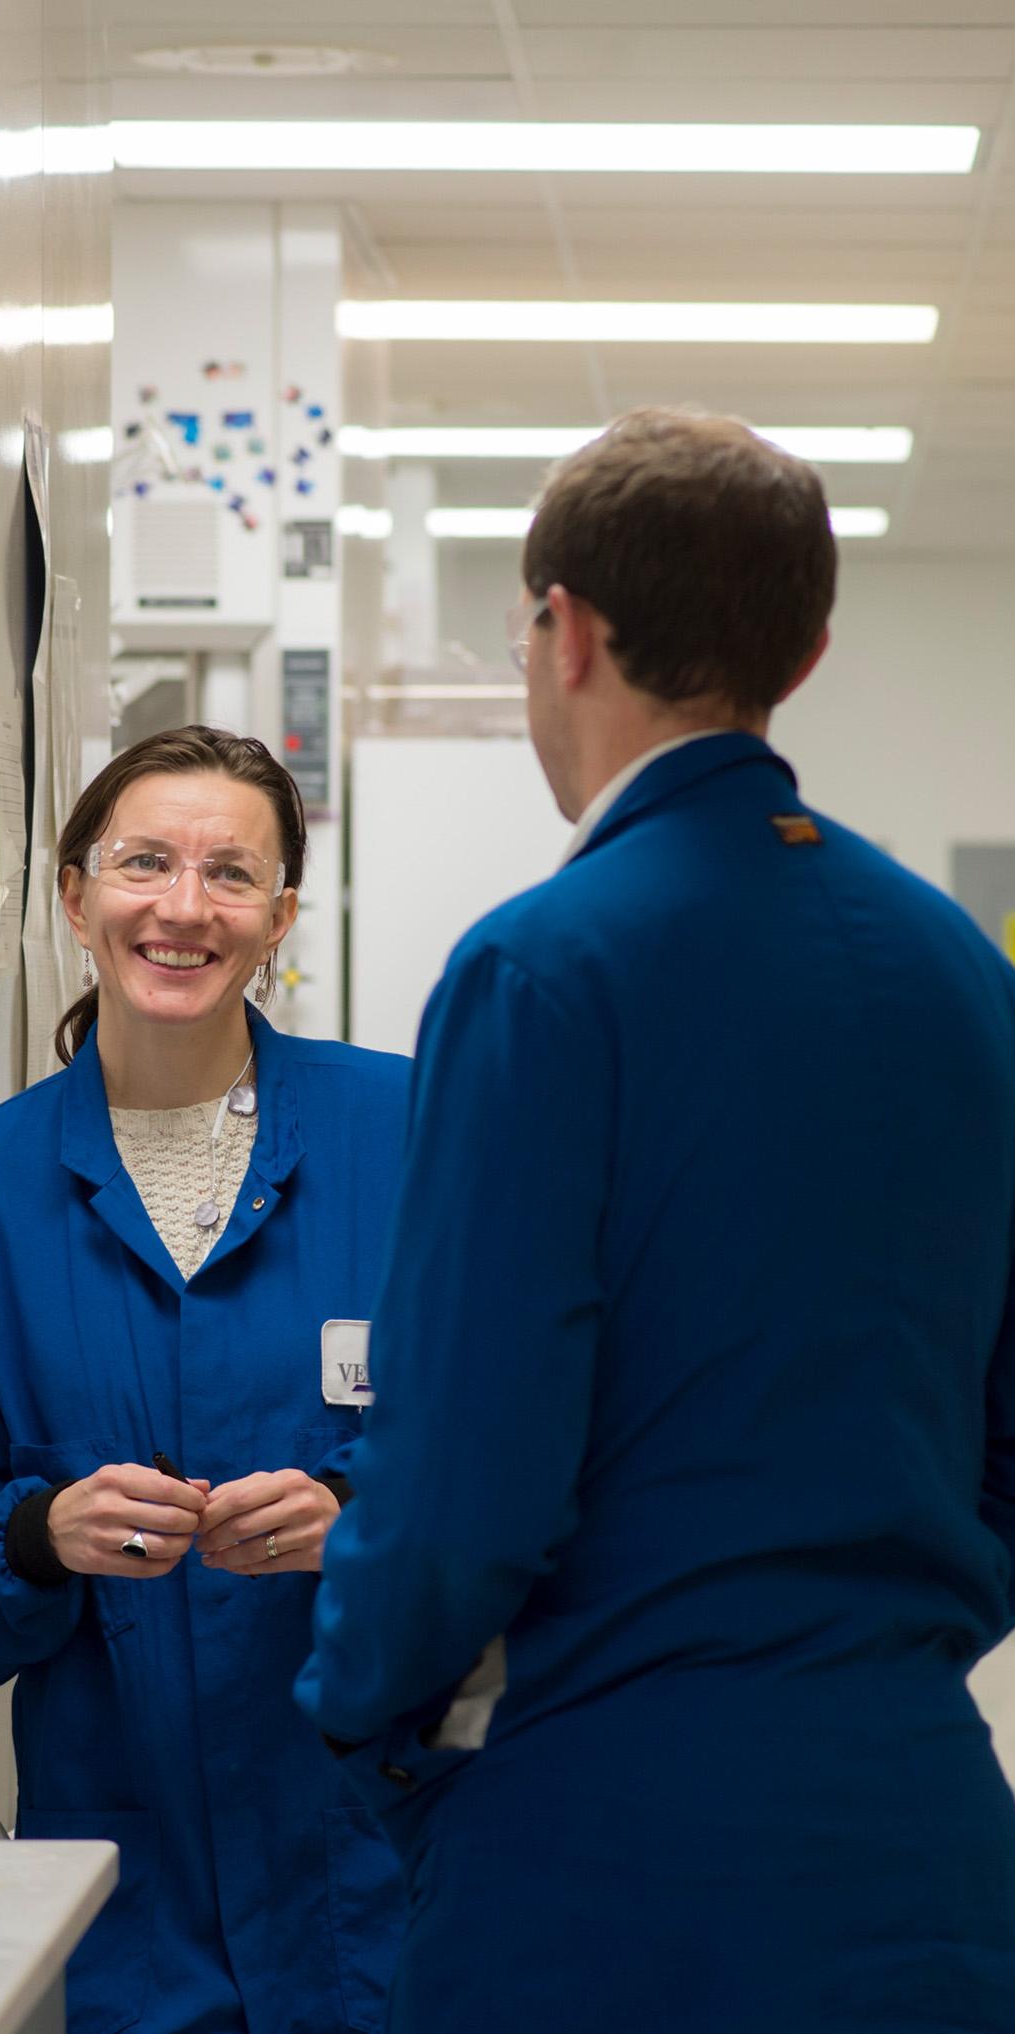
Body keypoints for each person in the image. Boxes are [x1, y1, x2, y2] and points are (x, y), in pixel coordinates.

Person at [300, 409, 1015, 2031]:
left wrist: (358, 1708)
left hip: (606, 1869)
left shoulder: (540, 969)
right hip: (925, 1853)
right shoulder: (963, 978)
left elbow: (460, 1474)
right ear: (806, 647)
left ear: (561, 629)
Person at [0, 727, 409, 2034]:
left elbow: (527, 1456)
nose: (181, 906)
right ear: (74, 894)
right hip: (128, 1880)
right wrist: (41, 1535)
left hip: (382, 1860)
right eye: (143, 863)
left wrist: (365, 1521)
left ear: (280, 914)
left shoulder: (405, 1131)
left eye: (229, 874)